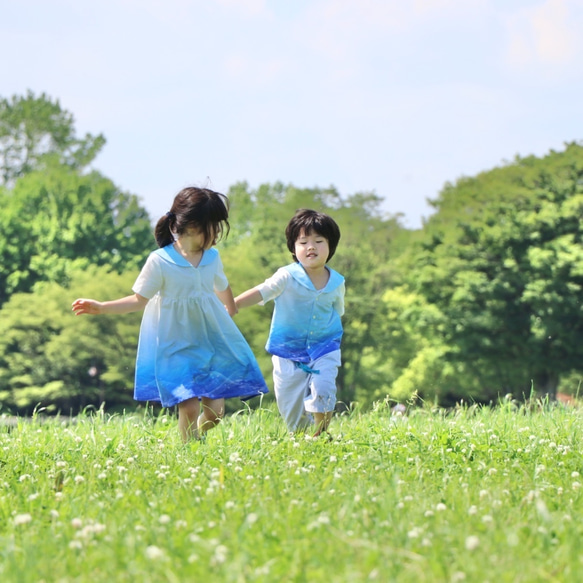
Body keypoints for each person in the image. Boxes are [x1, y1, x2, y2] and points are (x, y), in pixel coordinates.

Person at [72, 187, 268, 442]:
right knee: (188, 405)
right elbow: (138, 299)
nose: (218, 232)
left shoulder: (212, 257)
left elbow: (222, 286)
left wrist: (231, 308)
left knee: (216, 413)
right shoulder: (160, 261)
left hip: (208, 340)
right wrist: (102, 307)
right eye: (215, 225)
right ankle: (188, 451)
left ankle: (195, 437)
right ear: (194, 225)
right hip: (174, 344)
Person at [235, 209, 344, 438]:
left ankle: (321, 435)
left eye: (318, 241)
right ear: (293, 248)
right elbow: (262, 291)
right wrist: (233, 305)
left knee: (323, 388)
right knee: (291, 412)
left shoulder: (337, 282)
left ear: (330, 246)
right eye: (303, 242)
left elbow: (337, 311)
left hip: (325, 347)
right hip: (287, 352)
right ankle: (302, 437)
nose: (310, 246)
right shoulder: (286, 276)